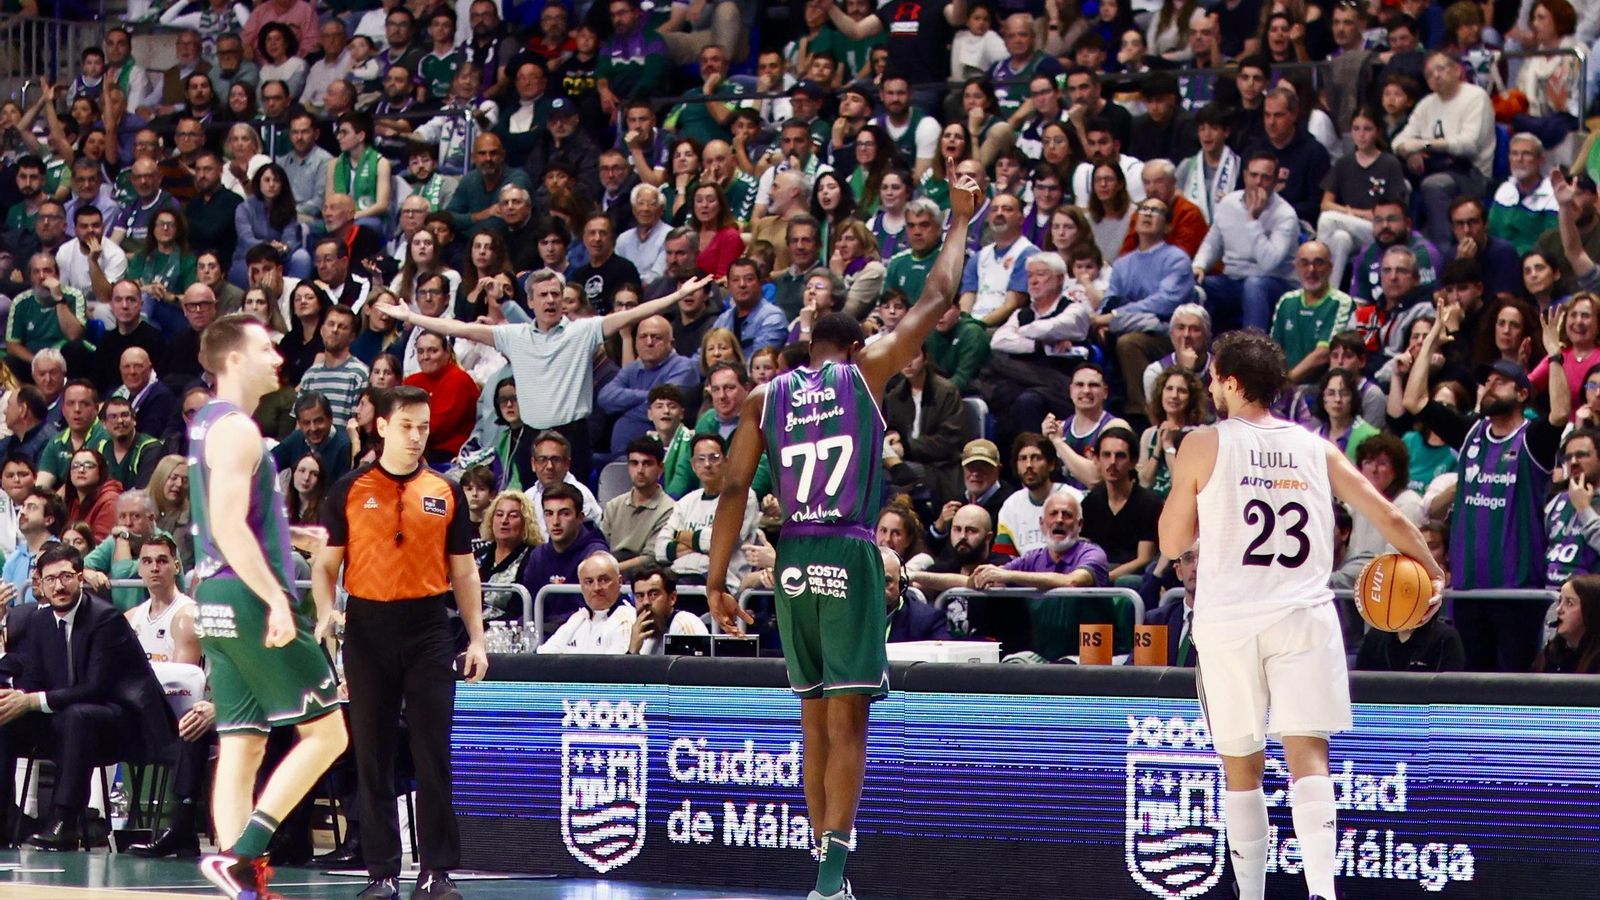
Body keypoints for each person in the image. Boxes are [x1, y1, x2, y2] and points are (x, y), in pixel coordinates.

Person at [706, 164, 979, 900]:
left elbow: (733, 489)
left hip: (792, 556)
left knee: (812, 718)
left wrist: (716, 579)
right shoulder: (867, 373)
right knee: (848, 720)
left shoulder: (764, 395)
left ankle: (819, 871)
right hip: (850, 548)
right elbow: (937, 295)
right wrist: (959, 219)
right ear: (856, 349)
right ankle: (833, 875)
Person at [1158, 329, 1444, 900]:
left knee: (1241, 768)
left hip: (1230, 620)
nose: (1209, 386)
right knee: (1309, 758)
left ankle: (1252, 895)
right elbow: (1388, 516)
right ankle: (1322, 892)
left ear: (1231, 382)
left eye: (1213, 377)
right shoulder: (1316, 447)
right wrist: (1432, 571)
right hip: (1303, 617)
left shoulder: (1203, 443)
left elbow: (1170, 543)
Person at [187, 314, 347, 898]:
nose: (278, 357)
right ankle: (243, 856)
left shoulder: (207, 423)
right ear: (233, 359)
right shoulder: (239, 430)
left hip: (213, 594)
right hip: (247, 593)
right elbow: (229, 525)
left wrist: (289, 533)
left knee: (243, 742)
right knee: (329, 734)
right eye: (264, 348)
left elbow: (222, 516)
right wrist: (277, 598)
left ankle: (241, 885)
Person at [314, 385, 486, 900]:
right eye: (407, 426)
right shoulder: (348, 489)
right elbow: (324, 566)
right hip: (367, 627)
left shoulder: (445, 490)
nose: (416, 436)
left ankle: (437, 871)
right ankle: (382, 872)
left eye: (424, 427)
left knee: (433, 751)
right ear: (383, 426)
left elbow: (464, 571)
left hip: (429, 625)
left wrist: (477, 639)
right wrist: (325, 612)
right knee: (372, 753)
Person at [373, 269, 715, 488]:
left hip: (573, 436)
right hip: (531, 437)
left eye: (556, 294)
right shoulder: (514, 336)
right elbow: (460, 328)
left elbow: (634, 313)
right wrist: (411, 317)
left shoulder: (583, 331)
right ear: (531, 301)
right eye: (544, 295)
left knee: (572, 510)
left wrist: (676, 296)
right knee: (534, 512)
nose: (551, 300)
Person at [0, 544, 175, 850]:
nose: (59, 586)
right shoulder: (39, 622)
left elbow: (96, 688)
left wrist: (31, 701)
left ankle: (64, 821)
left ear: (80, 578)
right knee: (5, 718)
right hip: (65, 718)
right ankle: (3, 818)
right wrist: (15, 697)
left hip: (120, 721)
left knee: (78, 715)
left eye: (66, 576)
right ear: (40, 585)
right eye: (50, 579)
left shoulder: (105, 619)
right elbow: (32, 679)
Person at [123, 534, 214, 859]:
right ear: (138, 568)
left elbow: (180, 684)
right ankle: (91, 818)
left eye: (162, 561)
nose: (154, 568)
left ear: (176, 565)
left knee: (190, 726)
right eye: (147, 561)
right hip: (140, 712)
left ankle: (181, 827)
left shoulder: (186, 615)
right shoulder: (131, 617)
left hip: (180, 713)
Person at [653, 433, 757, 587]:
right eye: (701, 459)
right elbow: (660, 549)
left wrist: (679, 535)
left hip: (723, 582)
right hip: (680, 573)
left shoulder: (743, 497)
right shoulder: (686, 502)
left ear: (727, 462)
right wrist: (697, 544)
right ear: (693, 465)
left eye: (714, 458)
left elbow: (719, 542)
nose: (707, 464)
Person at [537, 551, 636, 653]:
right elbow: (543, 655)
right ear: (581, 586)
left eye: (603, 580)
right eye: (589, 582)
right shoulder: (578, 618)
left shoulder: (626, 620)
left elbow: (614, 663)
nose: (596, 588)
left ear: (620, 582)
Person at [602, 439, 676, 574]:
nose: (640, 470)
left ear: (661, 468)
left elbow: (651, 558)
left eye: (647, 463)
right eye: (634, 463)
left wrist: (609, 570)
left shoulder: (670, 509)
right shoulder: (613, 505)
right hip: (610, 570)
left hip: (645, 576)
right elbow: (601, 546)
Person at [626, 564, 709, 655]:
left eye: (654, 594)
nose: (645, 602)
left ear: (672, 598)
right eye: (640, 596)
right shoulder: (640, 634)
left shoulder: (684, 624)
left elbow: (697, 664)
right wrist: (632, 650)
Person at [1533, 573, 1600, 674]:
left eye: (1569, 603)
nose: (1558, 609)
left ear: (1592, 611)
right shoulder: (1551, 653)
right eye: (1560, 601)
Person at [882, 546, 949, 642]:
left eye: (885, 582)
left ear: (902, 584)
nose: (876, 589)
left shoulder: (928, 620)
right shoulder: (858, 614)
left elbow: (942, 649)